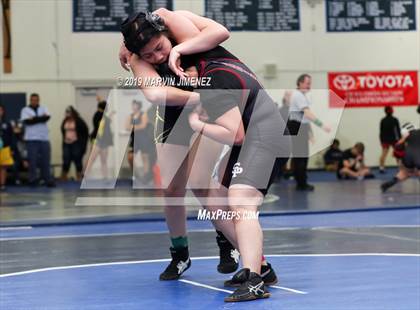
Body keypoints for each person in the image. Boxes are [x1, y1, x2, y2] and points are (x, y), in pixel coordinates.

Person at [120, 9, 242, 282]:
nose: (157, 58)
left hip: (209, 112)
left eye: (160, 48)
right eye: (148, 55)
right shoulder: (138, 56)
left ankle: (228, 242)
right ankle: (180, 254)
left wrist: (180, 50)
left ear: (164, 32)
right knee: (172, 189)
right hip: (179, 111)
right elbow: (155, 92)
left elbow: (220, 32)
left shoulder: (175, 24)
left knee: (202, 182)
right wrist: (197, 94)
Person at [287, 74, 331, 191]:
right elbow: (307, 114)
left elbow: (305, 119)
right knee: (301, 157)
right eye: (307, 83)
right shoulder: (298, 96)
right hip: (296, 126)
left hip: (300, 126)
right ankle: (301, 183)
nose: (309, 86)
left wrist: (310, 134)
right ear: (300, 83)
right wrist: (322, 125)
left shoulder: (301, 95)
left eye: (310, 83)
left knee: (300, 157)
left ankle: (301, 181)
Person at [20, 93, 55, 187]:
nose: (34, 101)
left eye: (36, 100)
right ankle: (32, 180)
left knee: (46, 160)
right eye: (32, 100)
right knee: (32, 161)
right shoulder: (25, 110)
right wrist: (40, 118)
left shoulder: (44, 108)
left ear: (39, 100)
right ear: (30, 100)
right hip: (31, 139)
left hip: (44, 138)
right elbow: (28, 122)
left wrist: (34, 119)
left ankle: (47, 180)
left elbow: (47, 118)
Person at [381, 122, 420, 192]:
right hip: (418, 155)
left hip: (408, 156)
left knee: (405, 172)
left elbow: (397, 147)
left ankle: (393, 181)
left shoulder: (407, 135)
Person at [126, 100, 154, 183]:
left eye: (135, 105)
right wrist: (135, 127)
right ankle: (137, 174)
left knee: (144, 157)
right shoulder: (130, 116)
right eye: (133, 105)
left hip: (143, 138)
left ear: (138, 106)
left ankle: (146, 176)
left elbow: (143, 125)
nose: (133, 107)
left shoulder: (143, 114)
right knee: (130, 156)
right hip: (134, 139)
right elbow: (126, 126)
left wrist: (132, 127)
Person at [85, 99, 113, 179]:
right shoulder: (98, 115)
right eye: (107, 107)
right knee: (92, 158)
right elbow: (100, 127)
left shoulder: (102, 115)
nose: (107, 109)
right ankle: (85, 176)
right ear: (104, 108)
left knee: (103, 160)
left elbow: (103, 125)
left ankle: (105, 177)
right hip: (98, 140)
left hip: (103, 140)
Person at [60, 106, 89, 181]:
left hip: (76, 143)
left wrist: (83, 144)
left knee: (77, 159)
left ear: (73, 113)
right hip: (66, 143)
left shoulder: (79, 121)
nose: (68, 114)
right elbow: (63, 130)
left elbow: (85, 132)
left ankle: (79, 176)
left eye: (69, 113)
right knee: (66, 159)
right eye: (67, 113)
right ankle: (64, 176)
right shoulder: (65, 121)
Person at [379, 106, 401, 173]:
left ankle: (381, 168)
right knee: (398, 154)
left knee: (384, 154)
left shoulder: (383, 120)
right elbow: (398, 131)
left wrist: (381, 140)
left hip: (385, 139)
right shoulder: (395, 120)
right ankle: (400, 168)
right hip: (394, 139)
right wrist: (399, 140)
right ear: (392, 111)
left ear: (385, 112)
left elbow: (381, 131)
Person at [0, 104, 15, 190]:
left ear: (3, 112)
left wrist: (11, 148)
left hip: (5, 148)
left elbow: (12, 136)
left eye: (0, 110)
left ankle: (2, 184)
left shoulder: (7, 123)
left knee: (3, 167)